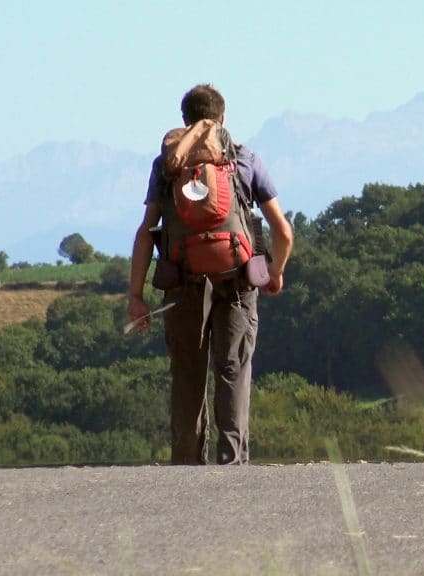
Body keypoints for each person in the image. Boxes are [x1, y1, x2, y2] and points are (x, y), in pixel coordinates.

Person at [126, 84, 293, 465]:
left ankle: (187, 463)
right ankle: (231, 463)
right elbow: (282, 231)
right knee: (233, 369)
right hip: (237, 280)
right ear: (222, 118)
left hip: (183, 281)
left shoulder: (167, 166)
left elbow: (146, 232)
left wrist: (136, 296)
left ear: (184, 121)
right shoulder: (245, 159)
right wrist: (275, 271)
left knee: (188, 372)